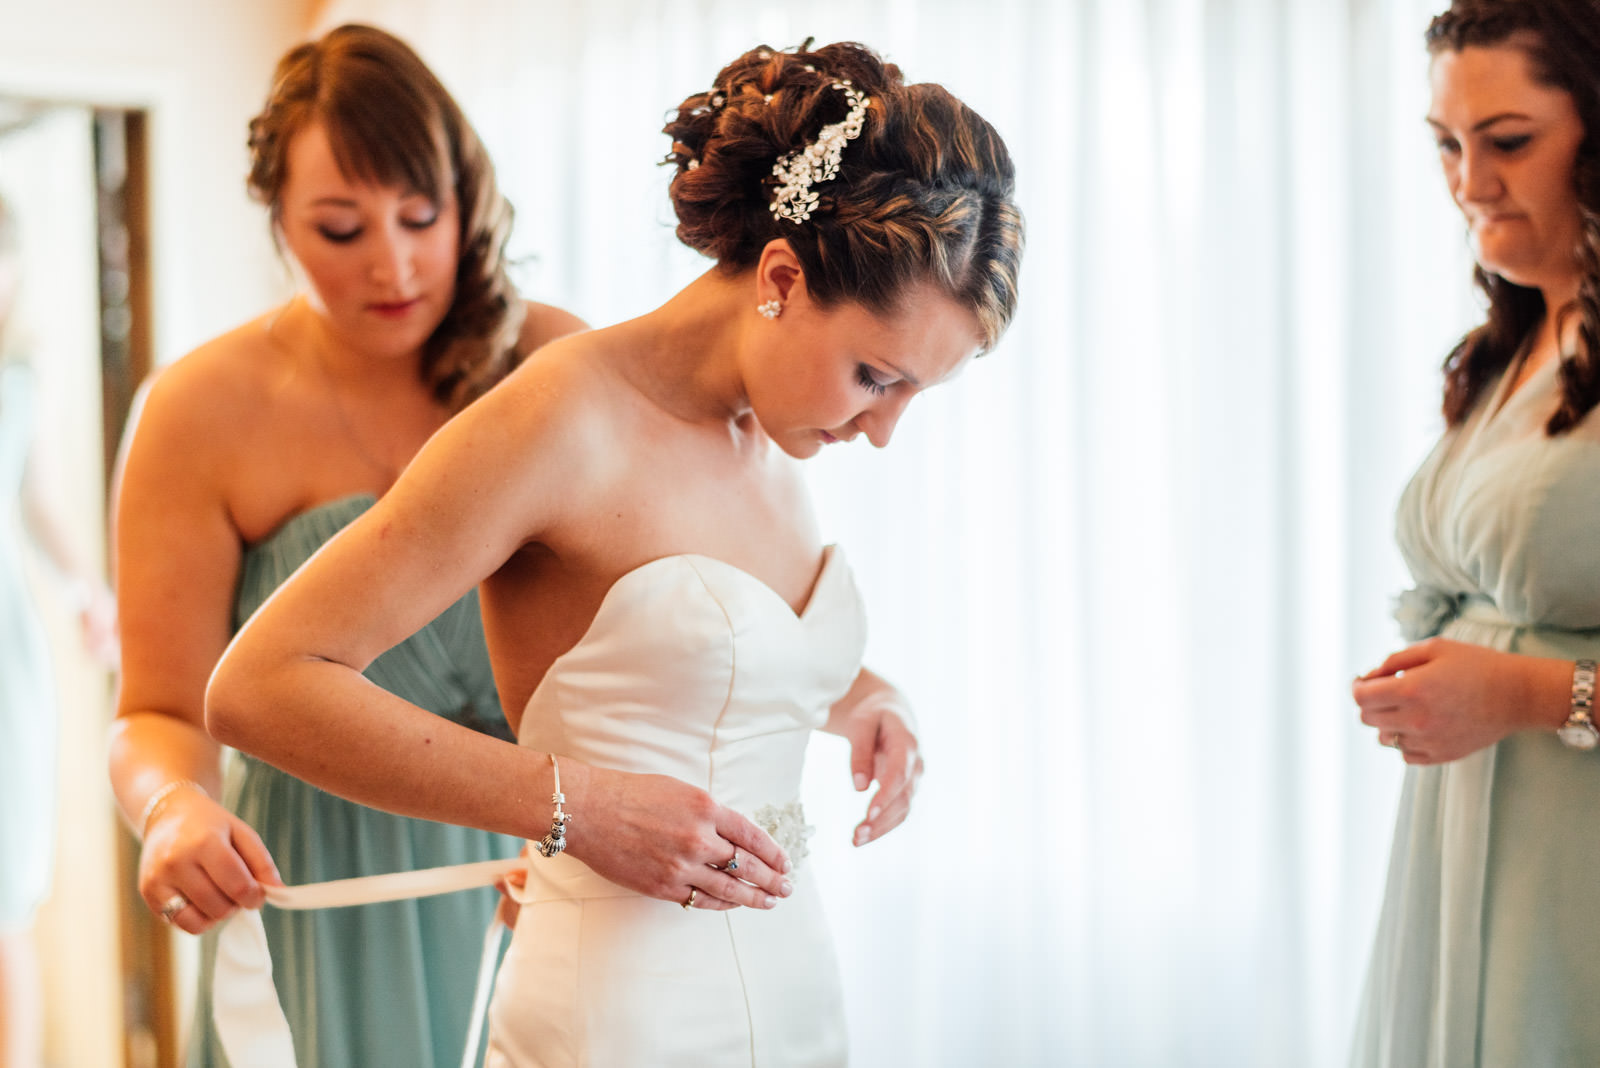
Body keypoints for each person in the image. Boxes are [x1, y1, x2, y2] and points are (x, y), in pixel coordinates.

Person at [207, 39, 1021, 1066]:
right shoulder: (559, 420)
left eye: (912, 394)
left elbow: (703, 666)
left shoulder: (768, 434)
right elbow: (262, 686)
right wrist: (573, 806)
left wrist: (861, 696)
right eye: (875, 376)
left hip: (791, 998)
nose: (882, 429)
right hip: (617, 1022)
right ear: (780, 276)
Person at [104, 25, 591, 1067]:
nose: (395, 264)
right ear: (277, 218)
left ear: (468, 199)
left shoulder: (554, 363)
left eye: (423, 216)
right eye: (340, 228)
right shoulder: (197, 411)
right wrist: (172, 809)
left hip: (538, 858)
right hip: (322, 875)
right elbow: (154, 709)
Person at [1349, 1, 1600, 1063]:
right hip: (1454, 859)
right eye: (1447, 145)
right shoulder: (1506, 344)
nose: (1468, 183)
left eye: (1507, 143)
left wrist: (1526, 693)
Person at [0, 190, 118, 1068]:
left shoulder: (18, 374)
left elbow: (35, 494)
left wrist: (90, 589)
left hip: (8, 651)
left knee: (8, 891)